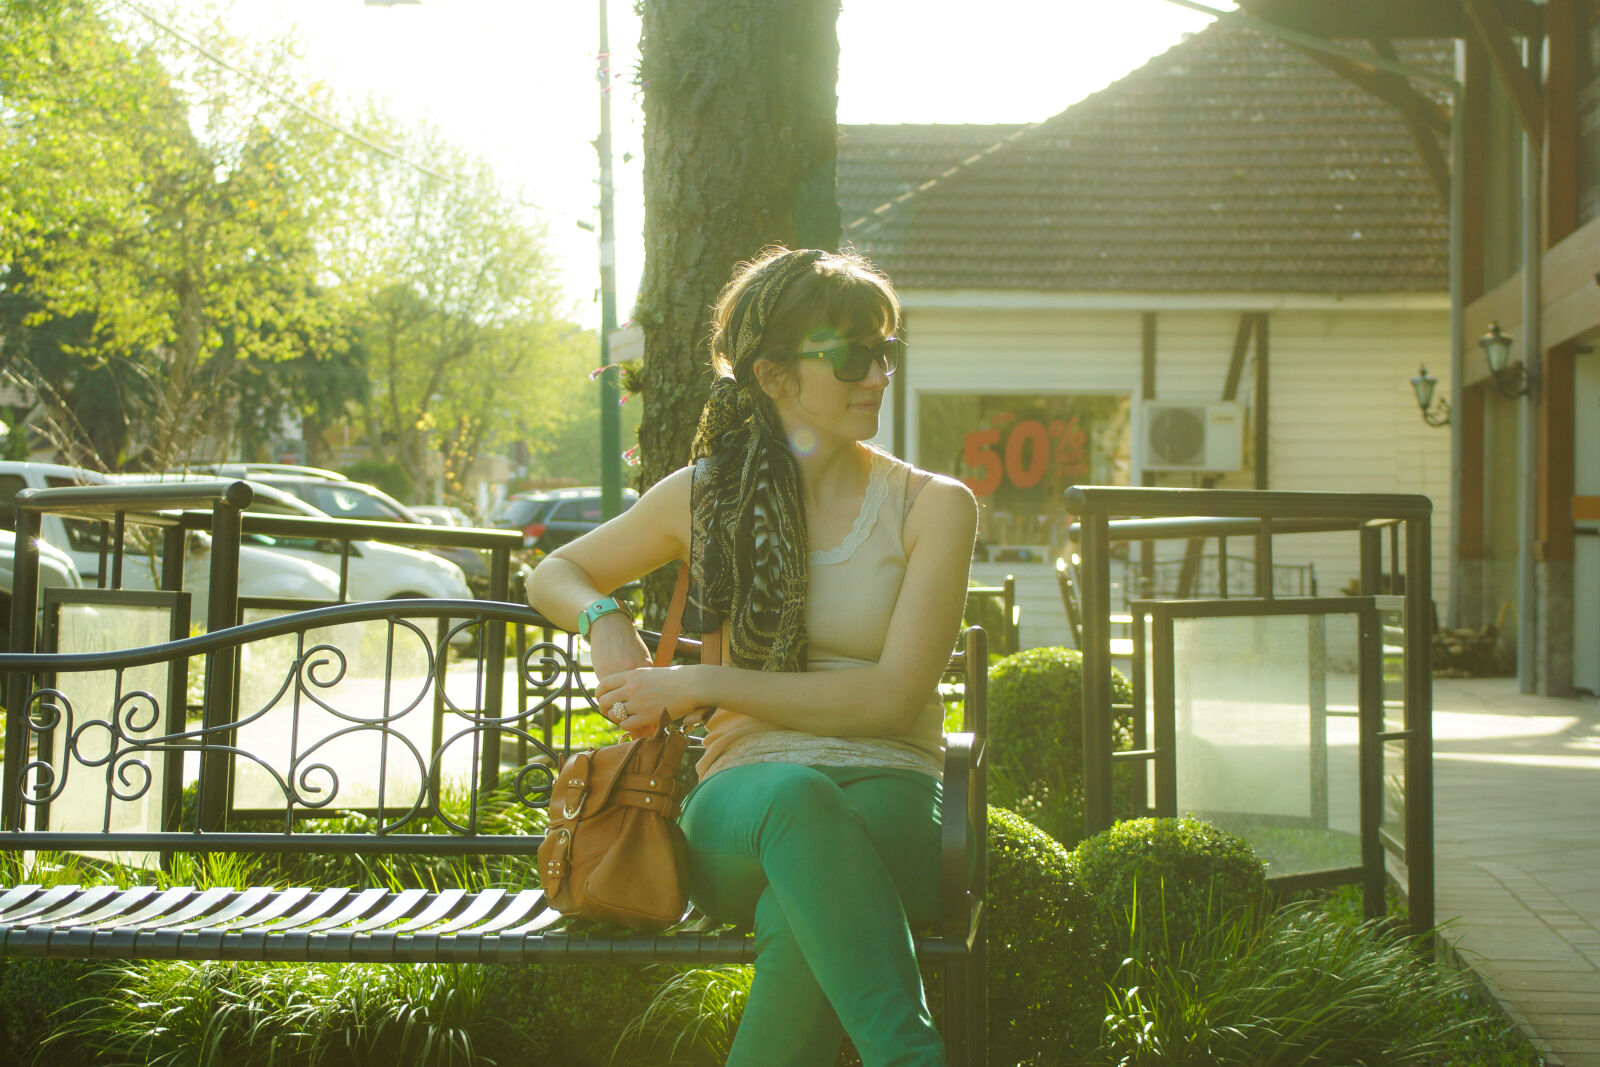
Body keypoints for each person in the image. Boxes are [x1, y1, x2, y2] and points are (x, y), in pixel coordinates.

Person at [528, 246, 977, 1067]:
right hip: (743, 805)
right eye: (849, 356)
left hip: (898, 799)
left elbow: (890, 698)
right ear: (773, 376)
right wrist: (602, 619)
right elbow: (554, 570)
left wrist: (697, 680)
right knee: (798, 801)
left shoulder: (933, 507)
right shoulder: (707, 495)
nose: (876, 374)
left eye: (884, 351)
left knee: (803, 911)